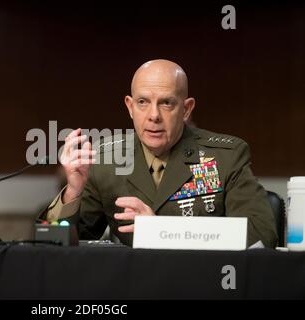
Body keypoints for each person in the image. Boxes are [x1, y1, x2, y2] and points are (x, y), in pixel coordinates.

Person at [41, 59, 278, 248]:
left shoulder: (226, 156)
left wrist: (162, 230)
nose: (153, 115)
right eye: (143, 102)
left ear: (186, 109)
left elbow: (261, 235)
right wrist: (72, 193)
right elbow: (54, 244)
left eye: (166, 103)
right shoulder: (107, 160)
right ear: (130, 107)